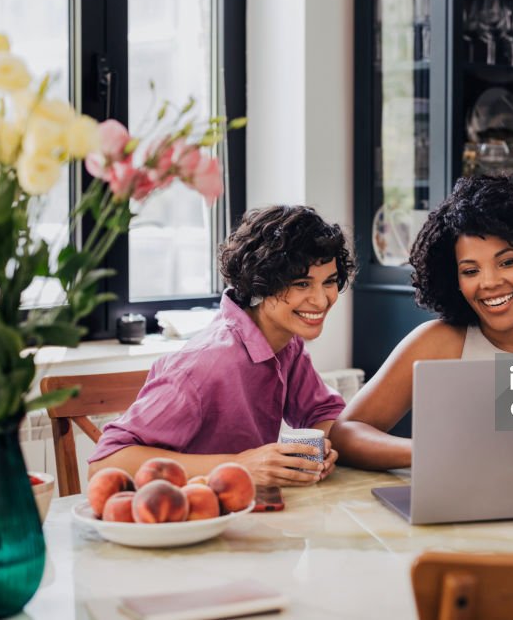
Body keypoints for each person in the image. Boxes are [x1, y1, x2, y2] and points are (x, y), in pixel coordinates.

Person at [331, 176, 513, 470]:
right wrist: (432, 451)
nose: (488, 283)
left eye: (507, 262)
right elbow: (345, 434)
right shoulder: (435, 344)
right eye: (470, 270)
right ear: (454, 280)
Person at [88, 205, 355, 487]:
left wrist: (320, 451)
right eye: (302, 284)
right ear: (262, 282)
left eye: (329, 282)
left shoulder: (286, 343)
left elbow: (323, 415)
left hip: (244, 511)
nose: (321, 300)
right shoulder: (205, 365)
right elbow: (105, 464)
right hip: (181, 519)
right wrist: (241, 465)